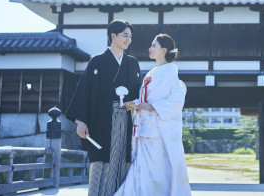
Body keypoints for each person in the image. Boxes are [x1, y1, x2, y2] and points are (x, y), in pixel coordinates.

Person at [65, 20, 142, 196]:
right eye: (125, 35)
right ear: (113, 36)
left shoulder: (133, 63)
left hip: (127, 120)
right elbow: (85, 91)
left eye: (130, 36)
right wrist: (81, 121)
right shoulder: (97, 62)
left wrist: (136, 103)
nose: (129, 39)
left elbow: (139, 93)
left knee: (124, 160)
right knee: (102, 160)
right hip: (103, 121)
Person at [115, 33, 192, 196]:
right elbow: (147, 99)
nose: (150, 49)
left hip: (158, 133)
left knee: (155, 175)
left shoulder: (171, 74)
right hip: (144, 130)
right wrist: (136, 104)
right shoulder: (152, 73)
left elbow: (176, 102)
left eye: (154, 46)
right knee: (140, 173)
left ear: (164, 50)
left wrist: (153, 107)